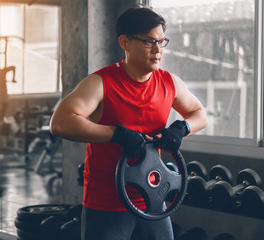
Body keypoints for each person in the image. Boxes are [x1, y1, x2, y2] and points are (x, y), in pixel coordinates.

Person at [49, 5, 208, 240]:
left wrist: (181, 128)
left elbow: (199, 113)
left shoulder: (169, 83)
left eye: (161, 42)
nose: (157, 50)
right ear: (125, 42)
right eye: (148, 42)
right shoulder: (101, 82)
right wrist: (116, 134)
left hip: (153, 199)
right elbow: (60, 123)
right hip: (107, 201)